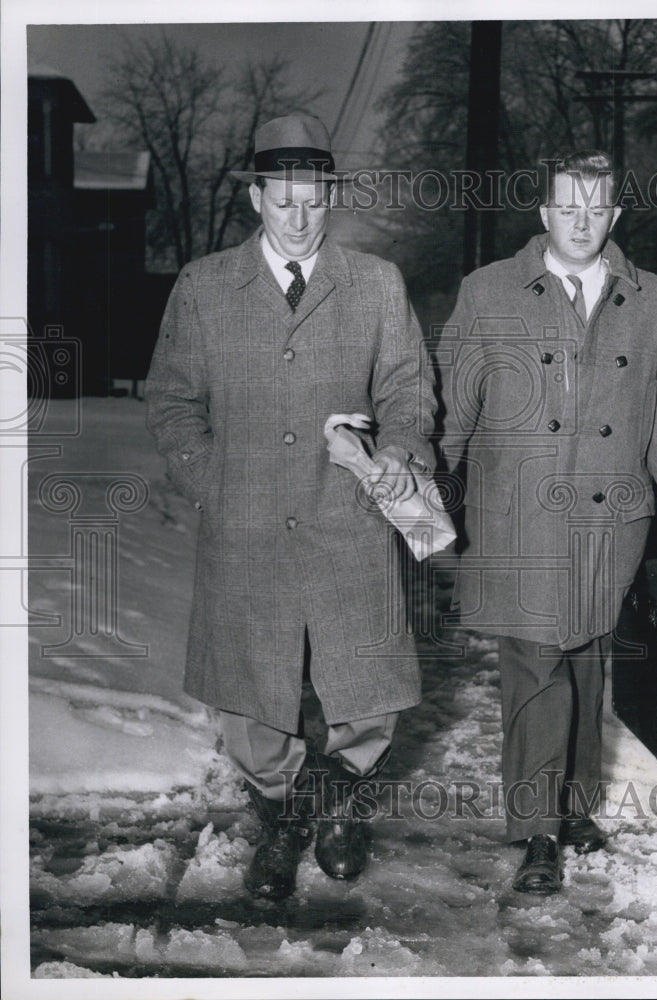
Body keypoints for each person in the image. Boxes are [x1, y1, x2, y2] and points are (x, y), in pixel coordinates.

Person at [145, 114, 436, 901]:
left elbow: (409, 394)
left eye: (314, 201)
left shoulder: (375, 284)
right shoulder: (203, 287)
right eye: (284, 201)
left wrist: (396, 462)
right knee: (253, 694)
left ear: (330, 196)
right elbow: (172, 405)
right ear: (255, 197)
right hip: (243, 525)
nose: (300, 218)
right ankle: (278, 813)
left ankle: (337, 806)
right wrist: (215, 483)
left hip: (348, 516)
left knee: (365, 683)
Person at [437, 150, 657, 895]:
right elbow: (451, 408)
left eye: (595, 208)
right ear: (543, 213)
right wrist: (427, 483)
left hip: (610, 518)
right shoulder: (488, 292)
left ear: (614, 216)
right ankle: (537, 830)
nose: (580, 221)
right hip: (515, 519)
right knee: (536, 666)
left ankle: (573, 804)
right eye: (567, 206)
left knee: (587, 659)